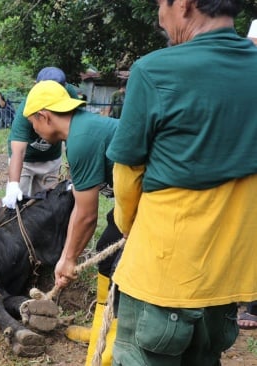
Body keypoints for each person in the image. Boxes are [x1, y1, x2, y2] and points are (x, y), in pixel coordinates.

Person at [106, 1, 257, 364]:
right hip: (228, 278)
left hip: (162, 277)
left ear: (185, 4)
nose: (160, 15)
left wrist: (128, 227)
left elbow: (127, 177)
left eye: (161, 4)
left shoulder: (154, 71)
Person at [23, 80, 121, 365]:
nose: (34, 131)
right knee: (107, 251)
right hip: (136, 201)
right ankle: (102, 329)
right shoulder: (83, 128)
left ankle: (109, 347)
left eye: (33, 123)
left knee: (119, 265)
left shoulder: (82, 139)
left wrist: (67, 259)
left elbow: (86, 214)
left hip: (158, 200)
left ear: (44, 116)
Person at [2, 66, 78, 209]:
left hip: (50, 160)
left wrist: (75, 175)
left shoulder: (69, 96)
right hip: (25, 161)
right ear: (36, 87)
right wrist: (13, 185)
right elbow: (18, 151)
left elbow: (74, 135)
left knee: (46, 207)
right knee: (16, 205)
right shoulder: (27, 108)